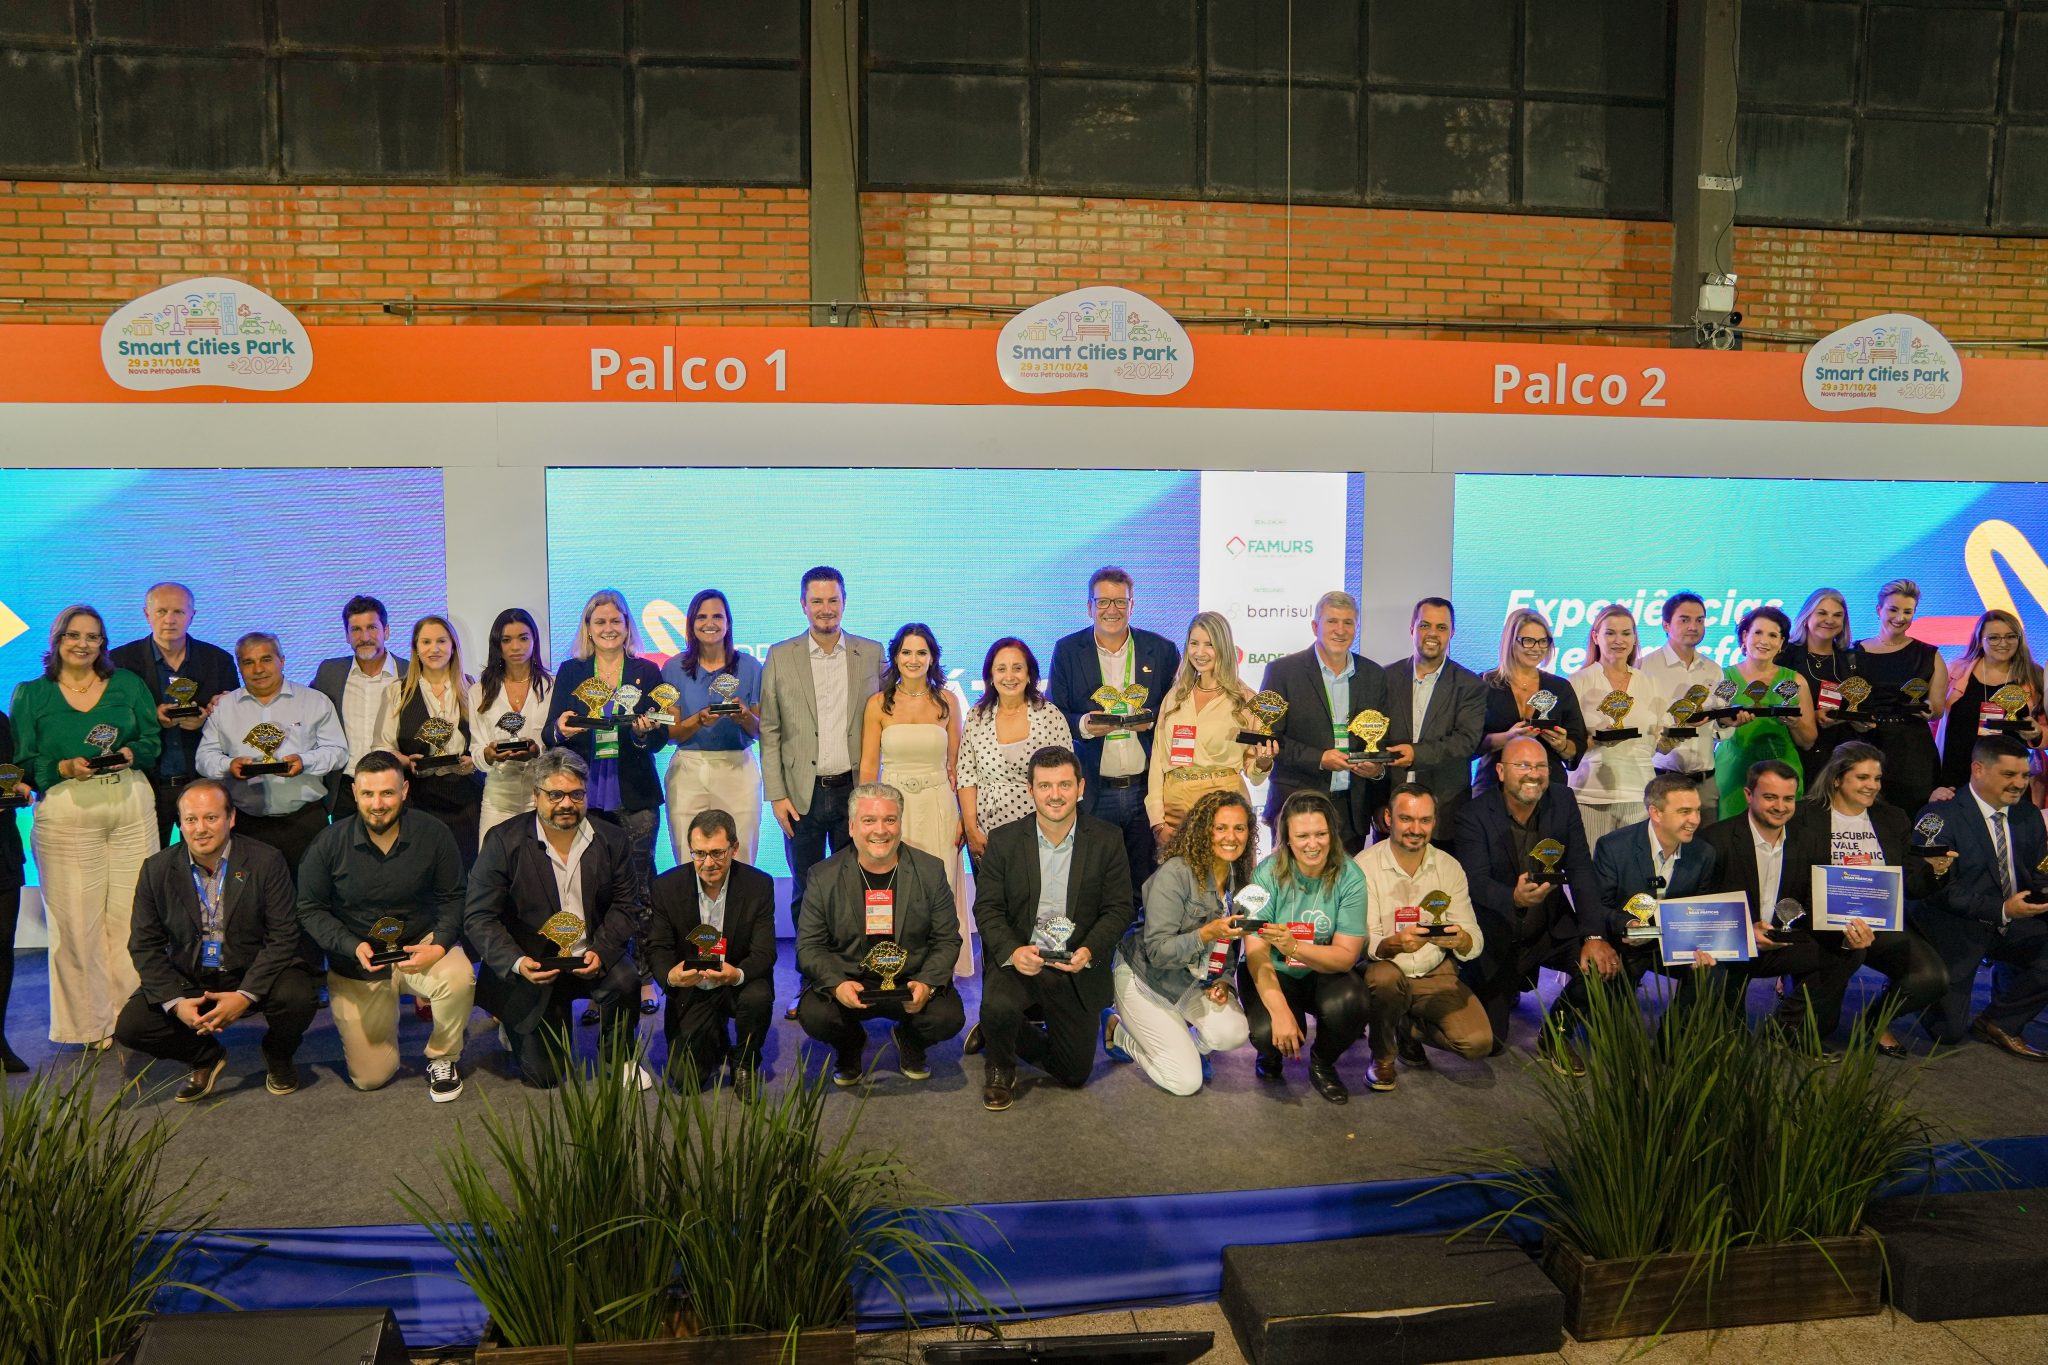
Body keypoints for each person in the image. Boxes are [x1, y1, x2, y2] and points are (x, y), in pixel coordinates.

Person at [10, 605, 160, 1047]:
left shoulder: (128, 684)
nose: (83, 644)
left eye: (93, 637)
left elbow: (152, 740)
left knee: (133, 919)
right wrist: (62, 767)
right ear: (57, 640)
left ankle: (133, 1020)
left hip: (130, 805)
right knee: (76, 926)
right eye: (73, 635)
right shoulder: (31, 694)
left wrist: (132, 753)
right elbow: (23, 761)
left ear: (102, 643)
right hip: (67, 812)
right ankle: (89, 1026)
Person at [114, 780, 318, 1100]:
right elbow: (144, 945)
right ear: (180, 823)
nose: (200, 829)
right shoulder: (156, 870)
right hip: (192, 975)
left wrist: (246, 995)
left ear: (231, 818)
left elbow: (284, 936)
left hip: (251, 969)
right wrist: (175, 1003)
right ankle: (205, 1056)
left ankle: (278, 1054)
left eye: (211, 818)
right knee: (132, 1026)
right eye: (191, 819)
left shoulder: (266, 860)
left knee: (299, 997)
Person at [464, 748, 645, 1089]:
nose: (566, 804)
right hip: (533, 965)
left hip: (591, 955)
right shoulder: (503, 841)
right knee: (543, 1077)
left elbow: (626, 905)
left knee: (626, 980)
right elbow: (479, 916)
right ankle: (524, 1021)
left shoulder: (612, 838)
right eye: (555, 795)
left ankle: (619, 1056)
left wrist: (602, 951)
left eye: (576, 795)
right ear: (536, 796)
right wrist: (517, 963)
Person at [297, 753, 473, 1100]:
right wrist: (350, 946)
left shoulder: (434, 833)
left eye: (387, 793)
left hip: (420, 945)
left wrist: (439, 945)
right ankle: (382, 1012)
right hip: (359, 959)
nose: (377, 804)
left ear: (404, 790)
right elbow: (310, 908)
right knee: (371, 1078)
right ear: (354, 792)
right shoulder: (328, 843)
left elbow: (454, 896)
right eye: (368, 794)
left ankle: (443, 1056)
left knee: (459, 977)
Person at [967, 745, 1132, 1110]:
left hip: (1074, 961)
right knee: (999, 1006)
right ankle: (1000, 1064)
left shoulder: (1107, 839)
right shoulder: (1005, 840)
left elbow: (1119, 908)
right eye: (1045, 786)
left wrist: (1089, 949)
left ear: (1080, 787)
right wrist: (1013, 951)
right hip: (1022, 954)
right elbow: (988, 908)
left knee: (1074, 1074)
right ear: (1030, 790)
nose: (1055, 795)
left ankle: (997, 1031)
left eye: (1064, 785)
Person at [1778, 742, 1950, 1055]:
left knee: (1931, 978)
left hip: (1878, 922)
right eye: (1862, 777)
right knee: (1821, 1024)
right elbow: (1788, 879)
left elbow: (1912, 884)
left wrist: (1936, 871)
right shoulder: (1803, 816)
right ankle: (1796, 1003)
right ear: (1837, 779)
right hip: (1821, 922)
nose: (1872, 785)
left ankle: (1875, 1022)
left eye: (1877, 778)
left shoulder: (1893, 818)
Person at [545, 589, 671, 1013]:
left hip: (634, 794)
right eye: (600, 622)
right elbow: (551, 732)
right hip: (585, 795)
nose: (608, 628)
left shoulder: (646, 671)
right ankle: (603, 983)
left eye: (616, 621)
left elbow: (660, 735)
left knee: (639, 890)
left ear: (627, 626)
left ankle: (645, 979)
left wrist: (643, 732)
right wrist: (562, 731)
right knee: (592, 894)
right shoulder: (571, 671)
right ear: (587, 627)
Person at [1452, 735, 1609, 1072]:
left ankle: (1556, 1035)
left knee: (1600, 966)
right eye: (1522, 765)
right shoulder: (1473, 815)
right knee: (1490, 1043)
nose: (1533, 774)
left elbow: (1580, 868)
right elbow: (1474, 882)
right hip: (1498, 936)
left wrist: (1594, 936)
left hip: (1548, 928)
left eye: (1540, 766)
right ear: (1500, 771)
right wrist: (1513, 897)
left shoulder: (1562, 800)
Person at [795, 782, 963, 1083]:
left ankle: (910, 1038)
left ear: (900, 823)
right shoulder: (823, 876)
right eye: (869, 820)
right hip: (850, 979)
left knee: (947, 1018)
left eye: (890, 819)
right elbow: (809, 946)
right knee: (817, 1016)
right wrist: (836, 985)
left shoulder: (930, 871)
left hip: (909, 980)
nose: (880, 830)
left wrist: (927, 983)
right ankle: (850, 1044)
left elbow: (947, 939)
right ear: (851, 826)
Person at [1102, 789, 1255, 1096]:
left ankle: (1190, 1048)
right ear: (1204, 830)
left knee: (1234, 1033)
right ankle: (1117, 1033)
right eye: (1221, 828)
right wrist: (1206, 933)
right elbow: (1158, 952)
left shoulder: (1240, 878)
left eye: (1239, 828)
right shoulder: (1176, 872)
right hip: (1145, 976)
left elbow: (1229, 949)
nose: (1231, 837)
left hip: (1189, 979)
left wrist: (1223, 981)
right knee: (1185, 1083)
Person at [1904, 734, 2048, 1059]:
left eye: (2024, 775)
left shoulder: (2029, 816)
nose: (2019, 784)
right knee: (1948, 1033)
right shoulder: (1938, 817)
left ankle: (1998, 1022)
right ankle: (1912, 977)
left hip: (2010, 920)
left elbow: (2040, 873)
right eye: (2009, 774)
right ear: (1978, 769)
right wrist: (2002, 908)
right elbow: (1938, 892)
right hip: (1952, 925)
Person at [1695, 759, 1860, 1039]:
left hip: (1781, 941)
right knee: (1730, 1042)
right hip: (1731, 944)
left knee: (1848, 949)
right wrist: (1744, 933)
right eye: (1770, 797)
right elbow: (1698, 907)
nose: (1780, 807)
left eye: (1788, 798)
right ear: (1748, 795)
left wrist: (1850, 929)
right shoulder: (1714, 840)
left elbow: (1816, 903)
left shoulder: (1809, 840)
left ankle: (1785, 1029)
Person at [760, 567, 884, 935]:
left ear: (845, 602)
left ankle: (853, 961)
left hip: (854, 791)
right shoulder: (780, 655)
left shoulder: (871, 653)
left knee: (857, 886)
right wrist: (776, 795)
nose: (826, 609)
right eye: (817, 601)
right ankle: (810, 965)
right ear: (803, 604)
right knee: (806, 889)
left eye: (833, 600)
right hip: (801, 796)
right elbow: (770, 729)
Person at [1049, 566, 1180, 888]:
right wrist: (1083, 724)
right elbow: (1054, 713)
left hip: (1145, 791)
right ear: (1089, 606)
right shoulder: (1067, 651)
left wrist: (1153, 719)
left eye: (1120, 602)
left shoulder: (1161, 650)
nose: (1112, 610)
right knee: (1093, 886)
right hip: (1094, 790)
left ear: (1132, 605)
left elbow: (1177, 708)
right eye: (1103, 602)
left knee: (1145, 887)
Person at [1237, 790, 1368, 1102]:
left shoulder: (1351, 876)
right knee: (1268, 1031)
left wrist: (1295, 947)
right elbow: (1255, 953)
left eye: (1321, 834)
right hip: (1273, 970)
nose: (1313, 844)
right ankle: (1269, 1053)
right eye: (1303, 836)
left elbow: (1346, 957)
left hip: (1322, 970)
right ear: (1287, 838)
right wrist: (1280, 1012)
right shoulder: (1266, 874)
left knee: (1353, 1003)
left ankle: (1322, 1063)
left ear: (1332, 833)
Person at [1357, 787, 1490, 1090]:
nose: (1416, 829)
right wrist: (1394, 944)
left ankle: (1406, 1027)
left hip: (1435, 972)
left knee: (1478, 1043)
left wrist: (1461, 941)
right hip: (1386, 968)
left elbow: (1474, 937)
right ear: (1388, 818)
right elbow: (1365, 941)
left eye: (1425, 820)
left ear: (1434, 822)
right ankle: (1383, 1056)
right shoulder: (1364, 866)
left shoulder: (1449, 866)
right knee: (1384, 979)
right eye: (1406, 819)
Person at [860, 623, 970, 976]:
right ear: (895, 657)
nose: (913, 659)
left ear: (932, 658)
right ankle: (894, 970)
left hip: (939, 806)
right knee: (894, 888)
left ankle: (937, 971)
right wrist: (864, 817)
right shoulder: (878, 704)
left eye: (921, 652)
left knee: (940, 888)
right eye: (906, 652)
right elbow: (868, 767)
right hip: (893, 810)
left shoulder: (948, 701)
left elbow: (959, 765)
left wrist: (964, 816)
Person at [196, 632, 349, 881]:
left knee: (309, 894)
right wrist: (228, 765)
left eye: (266, 659)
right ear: (239, 666)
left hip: (305, 822)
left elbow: (338, 752)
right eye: (248, 662)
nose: (258, 669)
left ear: (282, 660)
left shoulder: (315, 701)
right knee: (249, 897)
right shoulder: (224, 707)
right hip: (246, 825)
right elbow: (204, 757)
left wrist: (305, 762)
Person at [645, 808, 777, 1091]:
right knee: (686, 1081)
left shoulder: (759, 885)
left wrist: (736, 974)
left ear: (734, 849)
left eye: (717, 853)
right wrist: (670, 976)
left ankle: (744, 1062)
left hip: (736, 980)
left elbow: (765, 952)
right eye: (699, 853)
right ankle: (715, 1034)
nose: (708, 863)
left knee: (758, 997)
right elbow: (658, 947)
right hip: (692, 984)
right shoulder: (666, 886)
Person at [1256, 591, 1388, 855]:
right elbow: (1270, 738)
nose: (1340, 630)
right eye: (1332, 621)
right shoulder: (1282, 672)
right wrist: (1319, 758)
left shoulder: (1374, 675)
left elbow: (1382, 738)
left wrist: (1376, 769)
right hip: (1295, 808)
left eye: (1348, 622)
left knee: (1345, 882)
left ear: (1356, 627)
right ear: (1315, 627)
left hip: (1350, 813)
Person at [110, 582, 239, 847]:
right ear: (147, 614)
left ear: (192, 615)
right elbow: (109, 721)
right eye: (161, 611)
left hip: (201, 784)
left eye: (178, 612)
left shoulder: (218, 660)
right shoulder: (119, 661)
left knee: (205, 859)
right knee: (147, 863)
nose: (170, 619)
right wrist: (149, 718)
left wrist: (209, 718)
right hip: (144, 783)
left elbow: (236, 724)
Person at [1144, 612, 1278, 853]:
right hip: (1175, 813)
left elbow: (1255, 774)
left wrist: (1263, 762)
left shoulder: (1244, 699)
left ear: (1223, 647)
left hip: (1224, 812)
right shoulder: (1175, 696)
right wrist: (1157, 821)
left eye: (1209, 644)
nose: (1200, 652)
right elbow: (1157, 761)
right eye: (1194, 643)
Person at [1590, 773, 1721, 1000]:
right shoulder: (1613, 847)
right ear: (1655, 812)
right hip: (1626, 943)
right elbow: (1597, 907)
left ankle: (1676, 1025)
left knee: (1713, 972)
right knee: (1597, 987)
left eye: (1697, 810)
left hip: (1675, 942)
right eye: (1684, 811)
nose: (1695, 820)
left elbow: (1700, 908)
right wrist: (1627, 924)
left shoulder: (1704, 853)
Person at [659, 589, 765, 866]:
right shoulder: (673, 668)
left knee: (741, 856)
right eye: (701, 617)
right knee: (688, 858)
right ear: (691, 623)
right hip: (688, 769)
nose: (710, 623)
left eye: (717, 616)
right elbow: (670, 734)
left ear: (728, 622)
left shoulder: (751, 667)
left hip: (738, 768)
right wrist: (698, 720)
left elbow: (758, 731)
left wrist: (743, 716)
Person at [375, 616, 485, 868]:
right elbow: (382, 747)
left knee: (466, 871)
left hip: (467, 802)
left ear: (453, 646)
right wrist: (405, 760)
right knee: (423, 871)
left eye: (441, 641)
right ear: (415, 648)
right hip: (418, 803)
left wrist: (475, 761)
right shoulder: (397, 692)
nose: (434, 649)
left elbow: (485, 740)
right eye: (426, 642)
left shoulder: (473, 688)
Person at [1380, 597, 1486, 844]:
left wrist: (1416, 754)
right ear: (1412, 629)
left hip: (1444, 814)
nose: (1433, 634)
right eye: (1425, 625)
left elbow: (1465, 742)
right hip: (1390, 812)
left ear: (1452, 633)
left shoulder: (1470, 685)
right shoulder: (1384, 678)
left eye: (1441, 627)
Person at [958, 638, 1074, 864]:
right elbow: (966, 775)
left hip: (1042, 833)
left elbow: (1067, 777)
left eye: (1017, 668)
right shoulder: (976, 716)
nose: (1009, 676)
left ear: (1029, 674)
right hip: (987, 835)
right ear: (990, 676)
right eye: (1001, 669)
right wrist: (971, 830)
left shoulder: (1049, 715)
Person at [1567, 605, 1673, 843]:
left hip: (1639, 793)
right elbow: (1569, 747)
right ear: (1596, 637)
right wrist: (1596, 741)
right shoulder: (1577, 682)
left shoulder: (1651, 684)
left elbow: (1661, 746)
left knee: (1633, 865)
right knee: (1591, 864)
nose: (1619, 640)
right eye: (1610, 633)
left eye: (1626, 633)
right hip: (1590, 795)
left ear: (1634, 638)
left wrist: (1675, 739)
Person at [1712, 605, 1817, 818]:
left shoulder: (1795, 681)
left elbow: (1808, 741)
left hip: (1782, 773)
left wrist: (1794, 723)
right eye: (1758, 632)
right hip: (1733, 773)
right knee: (1730, 834)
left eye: (1773, 635)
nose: (1764, 641)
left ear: (1782, 642)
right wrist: (1727, 722)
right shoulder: (1722, 677)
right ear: (1745, 636)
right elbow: (1710, 730)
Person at [310, 595, 408, 820]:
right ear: (346, 636)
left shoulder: (410, 673)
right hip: (346, 789)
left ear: (386, 631)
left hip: (396, 785)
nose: (364, 637)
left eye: (372, 628)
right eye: (356, 630)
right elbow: (303, 706)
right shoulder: (329, 672)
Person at [1858, 579, 1949, 817]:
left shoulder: (1929, 655)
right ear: (1879, 610)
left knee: (1912, 817)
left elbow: (1937, 709)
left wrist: (1929, 709)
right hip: (1865, 746)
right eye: (1893, 609)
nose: (1900, 618)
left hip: (1912, 752)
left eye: (1908, 612)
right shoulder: (1853, 653)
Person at [1474, 607, 1585, 796]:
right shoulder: (1484, 684)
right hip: (1493, 789)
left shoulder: (1560, 687)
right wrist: (1507, 738)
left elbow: (1577, 747)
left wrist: (1562, 745)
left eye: (1543, 641)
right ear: (1511, 641)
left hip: (1548, 790)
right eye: (1528, 641)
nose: (1536, 648)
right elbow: (1470, 743)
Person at [469, 607, 553, 844]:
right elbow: (476, 750)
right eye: (507, 640)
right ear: (497, 644)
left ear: (534, 640)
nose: (516, 647)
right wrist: (489, 755)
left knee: (540, 864)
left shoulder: (551, 686)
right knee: (493, 863)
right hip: (498, 798)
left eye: (523, 638)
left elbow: (557, 743)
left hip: (542, 794)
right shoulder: (479, 691)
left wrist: (537, 752)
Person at [1938, 610, 2044, 795]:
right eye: (1994, 637)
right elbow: (1935, 721)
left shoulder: (2036, 676)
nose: (2003, 643)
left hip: (2011, 781)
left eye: (2010, 636)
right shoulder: (1954, 672)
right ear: (1980, 640)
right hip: (1957, 777)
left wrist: (2038, 733)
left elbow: (2044, 729)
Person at [1641, 592, 1725, 820]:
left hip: (1704, 781)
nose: (1693, 627)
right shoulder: (1645, 668)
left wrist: (1728, 721)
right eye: (1684, 620)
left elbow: (1719, 727)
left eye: (1700, 620)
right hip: (1661, 778)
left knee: (1706, 841)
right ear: (1666, 625)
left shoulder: (1714, 669)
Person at [1783, 588, 1863, 786]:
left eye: (1837, 615)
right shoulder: (1785, 656)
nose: (1830, 620)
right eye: (1822, 613)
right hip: (1794, 754)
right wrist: (1811, 717)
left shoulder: (1851, 659)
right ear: (1806, 617)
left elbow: (1859, 705)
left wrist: (1853, 718)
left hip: (1839, 758)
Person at [1, 709, 30, 1071]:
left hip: (2, 848)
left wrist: (19, 789)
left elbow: (12, 772)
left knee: (1, 946)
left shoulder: (0, 722)